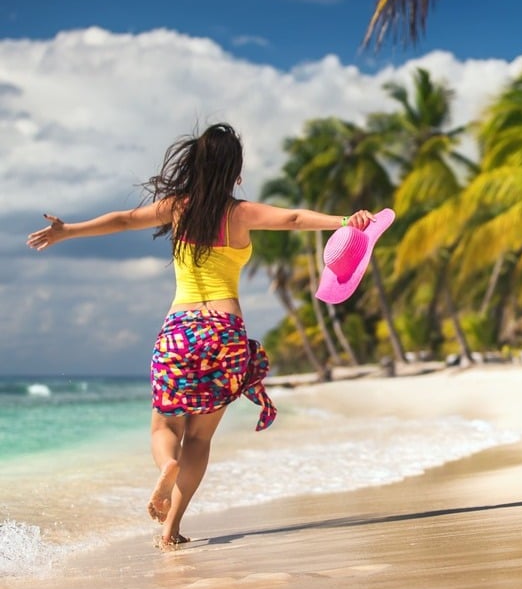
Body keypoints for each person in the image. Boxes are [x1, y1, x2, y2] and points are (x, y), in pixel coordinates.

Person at [27, 122, 375, 549]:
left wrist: (69, 230)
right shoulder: (241, 213)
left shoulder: (177, 207)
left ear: (195, 164)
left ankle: (166, 466)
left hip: (179, 329)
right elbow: (297, 218)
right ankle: (171, 527)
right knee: (201, 437)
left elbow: (121, 219)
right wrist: (348, 221)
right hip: (225, 332)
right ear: (235, 171)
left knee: (164, 425)